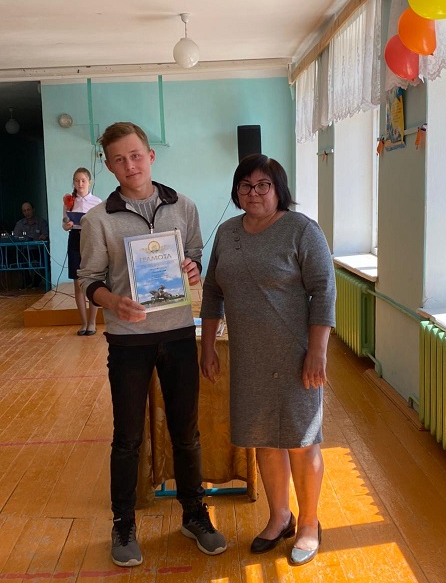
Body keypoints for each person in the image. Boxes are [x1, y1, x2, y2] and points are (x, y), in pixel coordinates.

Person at [77, 122, 226, 568]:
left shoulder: (184, 206)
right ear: (109, 165)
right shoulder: (97, 219)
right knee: (127, 438)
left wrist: (193, 268)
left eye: (136, 155)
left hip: (178, 335)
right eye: (119, 159)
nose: (130, 165)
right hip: (128, 342)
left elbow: (194, 255)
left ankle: (194, 515)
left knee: (187, 432)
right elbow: (88, 281)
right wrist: (112, 302)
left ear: (151, 155)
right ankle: (123, 524)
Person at [200, 154, 336, 567]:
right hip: (248, 357)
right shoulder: (227, 233)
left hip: (296, 356)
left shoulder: (301, 230)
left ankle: (308, 523)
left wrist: (317, 351)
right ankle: (280, 517)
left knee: (301, 440)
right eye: (245, 185)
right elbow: (212, 291)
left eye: (263, 185)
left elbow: (324, 290)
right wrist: (208, 345)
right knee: (263, 438)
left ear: (279, 189)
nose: (253, 192)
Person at [62, 168, 101, 335]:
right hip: (75, 239)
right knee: (78, 284)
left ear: (89, 182)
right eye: (77, 181)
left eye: (83, 180)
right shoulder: (69, 201)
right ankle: (83, 323)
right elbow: (64, 225)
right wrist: (67, 225)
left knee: (92, 281)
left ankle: (92, 322)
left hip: (90, 240)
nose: (80, 184)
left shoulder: (97, 202)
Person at [13, 202, 49, 288]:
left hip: (38, 249)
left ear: (33, 210)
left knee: (46, 260)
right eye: (24, 211)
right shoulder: (20, 224)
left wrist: (43, 237)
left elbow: (46, 234)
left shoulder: (41, 222)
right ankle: (26, 280)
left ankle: (36, 281)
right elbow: (15, 237)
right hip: (25, 250)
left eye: (28, 210)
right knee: (18, 259)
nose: (27, 212)